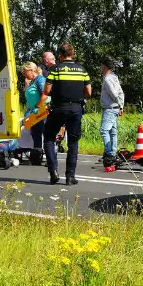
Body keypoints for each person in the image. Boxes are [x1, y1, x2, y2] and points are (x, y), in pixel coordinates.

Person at [43, 43, 91, 185]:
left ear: (60, 55)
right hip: (76, 108)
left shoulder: (55, 69)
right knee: (73, 142)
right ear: (73, 54)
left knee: (49, 137)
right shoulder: (82, 70)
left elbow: (46, 91)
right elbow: (88, 92)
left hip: (58, 108)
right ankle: (70, 176)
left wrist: (58, 93)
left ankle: (53, 172)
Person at [99, 59, 125, 166]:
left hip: (110, 108)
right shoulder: (115, 78)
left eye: (101, 66)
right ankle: (113, 152)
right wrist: (121, 106)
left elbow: (114, 94)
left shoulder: (108, 79)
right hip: (115, 108)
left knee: (104, 130)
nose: (100, 68)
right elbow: (121, 93)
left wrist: (118, 104)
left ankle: (109, 153)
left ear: (105, 67)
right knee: (112, 132)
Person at [21, 62, 48, 159]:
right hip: (35, 112)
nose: (24, 74)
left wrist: (37, 106)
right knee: (36, 133)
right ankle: (37, 155)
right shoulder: (33, 81)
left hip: (42, 111)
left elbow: (45, 95)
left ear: (32, 70)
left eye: (25, 71)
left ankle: (47, 156)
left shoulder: (40, 79)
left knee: (43, 133)